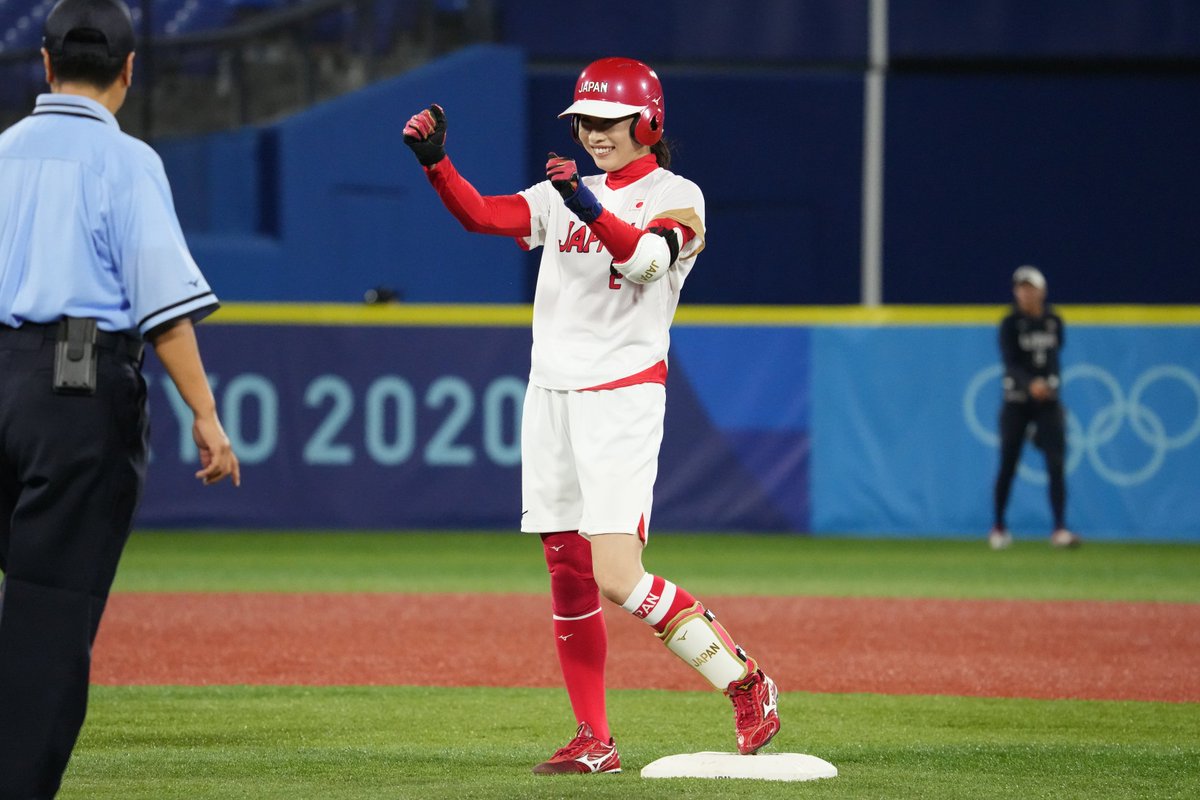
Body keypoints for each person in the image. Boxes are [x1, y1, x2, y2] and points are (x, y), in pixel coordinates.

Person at [402, 56, 780, 774]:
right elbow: (485, 214)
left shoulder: (680, 195)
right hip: (551, 394)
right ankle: (594, 739)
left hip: (622, 394)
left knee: (617, 574)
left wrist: (585, 206)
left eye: (607, 122)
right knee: (566, 570)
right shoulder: (564, 190)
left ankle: (745, 680)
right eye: (583, 121)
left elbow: (643, 263)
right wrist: (437, 164)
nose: (593, 133)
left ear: (648, 122)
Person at [0, 2, 241, 796]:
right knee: (46, 616)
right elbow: (164, 310)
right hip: (75, 393)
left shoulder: (3, 152)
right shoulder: (126, 162)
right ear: (130, 71)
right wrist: (205, 415)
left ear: (44, 61)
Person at [989, 265, 1080, 550]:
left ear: (1042, 291)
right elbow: (1010, 363)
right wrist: (1031, 384)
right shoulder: (1010, 323)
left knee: (1056, 463)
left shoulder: (1053, 320)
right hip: (1017, 401)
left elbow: (1054, 358)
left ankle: (1059, 529)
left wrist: (1050, 385)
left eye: (1030, 287)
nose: (1024, 293)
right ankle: (999, 526)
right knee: (1008, 464)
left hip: (1047, 402)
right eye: (1020, 288)